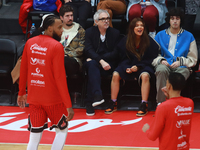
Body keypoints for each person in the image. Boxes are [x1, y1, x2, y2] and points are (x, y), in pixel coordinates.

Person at [17, 15, 74, 150]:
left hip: (34, 98)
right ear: (49, 28)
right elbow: (60, 78)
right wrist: (68, 105)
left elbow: (23, 69)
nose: (62, 30)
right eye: (59, 27)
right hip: (53, 99)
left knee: (34, 136)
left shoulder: (30, 43)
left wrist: (21, 93)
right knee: (62, 130)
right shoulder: (57, 46)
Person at [105, 18, 159, 116]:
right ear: (132, 28)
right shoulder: (125, 40)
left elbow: (152, 58)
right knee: (116, 74)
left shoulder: (149, 40)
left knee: (145, 75)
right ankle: (113, 102)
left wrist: (138, 67)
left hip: (143, 65)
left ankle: (144, 104)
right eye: (137, 25)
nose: (140, 27)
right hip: (128, 65)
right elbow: (120, 57)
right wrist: (127, 67)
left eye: (141, 25)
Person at [152, 8, 198, 105]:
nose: (175, 21)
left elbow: (193, 59)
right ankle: (161, 103)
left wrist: (181, 62)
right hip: (165, 64)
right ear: (169, 20)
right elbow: (153, 54)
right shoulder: (160, 35)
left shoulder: (189, 36)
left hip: (181, 66)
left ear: (181, 20)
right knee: (161, 70)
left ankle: (174, 103)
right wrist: (161, 60)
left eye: (177, 18)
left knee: (182, 72)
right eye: (172, 18)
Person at [142, 72, 194, 150]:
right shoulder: (190, 103)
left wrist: (147, 130)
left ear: (169, 86)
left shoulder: (163, 107)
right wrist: (169, 96)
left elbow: (152, 136)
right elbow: (175, 105)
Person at [84, 9, 120, 116]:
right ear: (96, 22)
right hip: (95, 64)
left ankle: (90, 102)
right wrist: (100, 61)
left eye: (107, 18)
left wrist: (100, 60)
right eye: (103, 19)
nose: (106, 21)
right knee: (92, 66)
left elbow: (116, 52)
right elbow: (88, 50)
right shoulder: (89, 32)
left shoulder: (115, 33)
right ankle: (97, 95)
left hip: (109, 64)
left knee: (92, 66)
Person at [59, 5, 85, 77]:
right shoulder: (57, 29)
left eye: (71, 15)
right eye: (67, 16)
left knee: (64, 61)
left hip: (74, 60)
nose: (70, 18)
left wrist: (66, 55)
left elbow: (81, 49)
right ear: (61, 17)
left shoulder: (80, 30)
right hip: (57, 57)